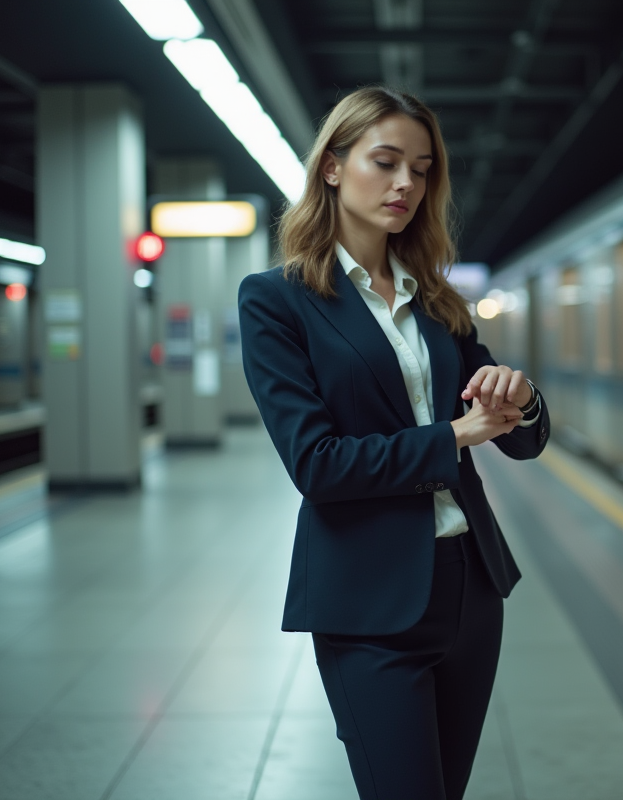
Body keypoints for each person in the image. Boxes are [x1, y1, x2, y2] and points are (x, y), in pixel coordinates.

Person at [238, 85, 549, 800]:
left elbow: (521, 438)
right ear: (333, 167)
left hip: (471, 589)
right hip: (368, 602)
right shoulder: (276, 300)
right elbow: (316, 465)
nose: (407, 182)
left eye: (423, 167)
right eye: (386, 161)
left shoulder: (438, 299)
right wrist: (452, 436)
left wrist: (520, 399)